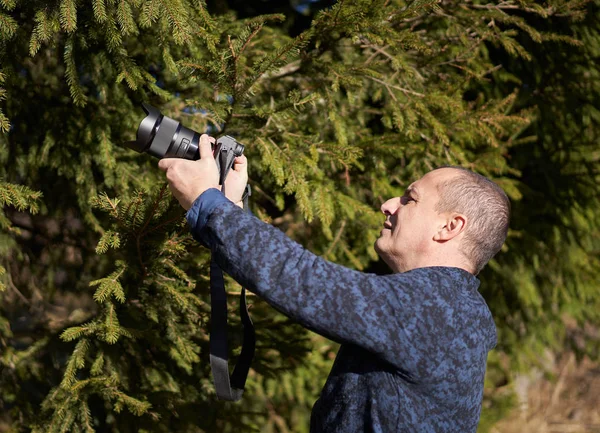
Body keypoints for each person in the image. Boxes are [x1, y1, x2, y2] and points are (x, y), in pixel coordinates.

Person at [158, 134, 511, 433]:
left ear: (450, 227)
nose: (389, 205)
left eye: (409, 198)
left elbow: (305, 281)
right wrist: (231, 209)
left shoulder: (436, 309)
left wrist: (210, 204)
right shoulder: (450, 310)